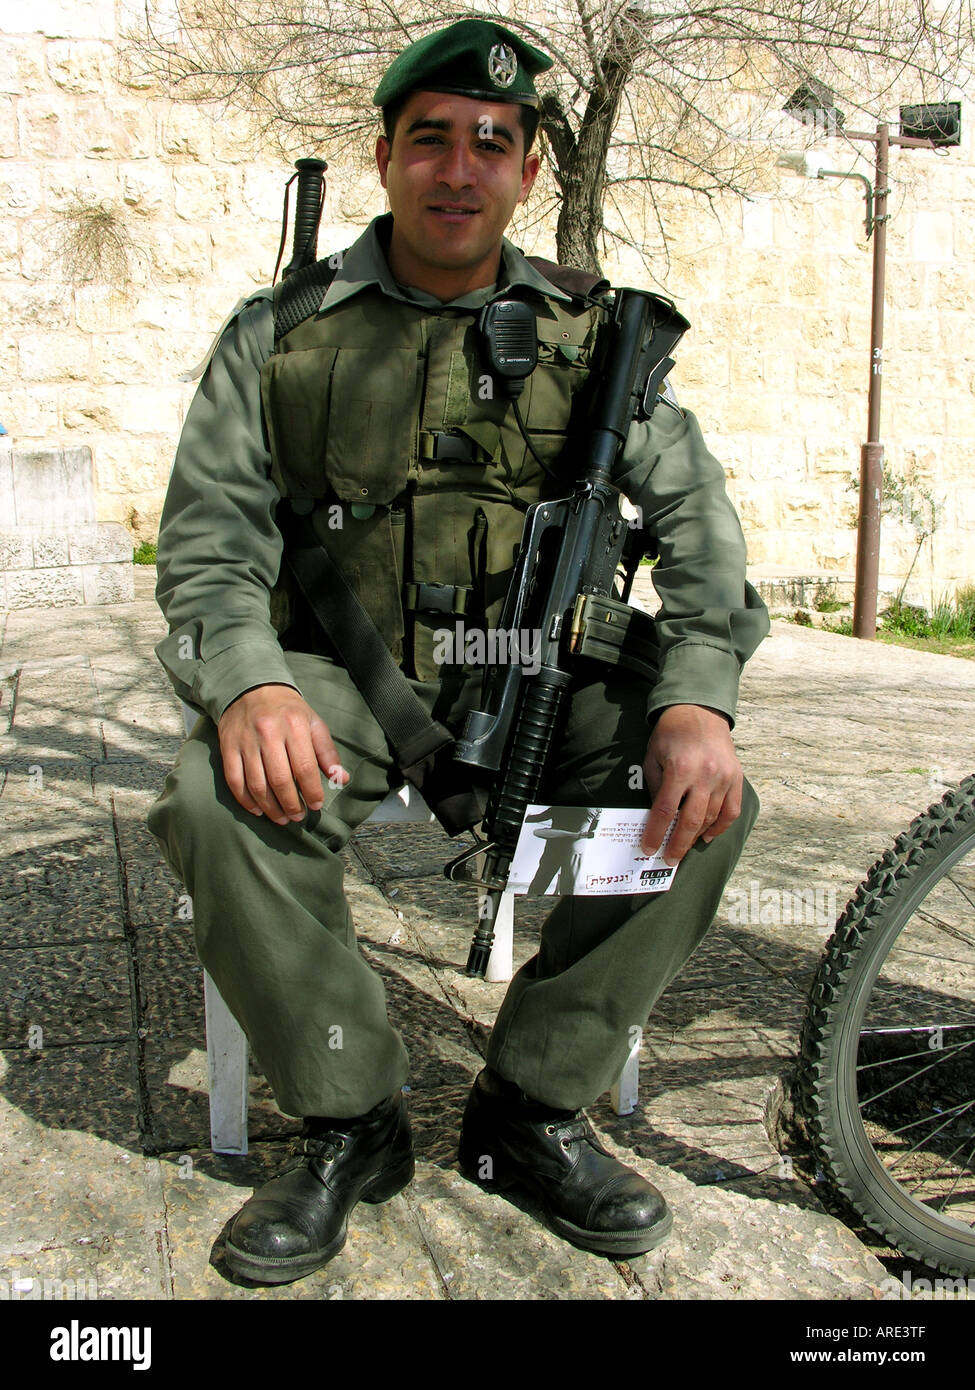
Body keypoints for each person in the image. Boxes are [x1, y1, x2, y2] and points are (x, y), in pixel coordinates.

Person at [147, 18, 770, 1286]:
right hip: (343, 677)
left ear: (529, 173)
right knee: (214, 798)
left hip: (542, 671)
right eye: (429, 139)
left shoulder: (598, 345)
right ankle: (351, 1116)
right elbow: (207, 543)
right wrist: (251, 679)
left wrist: (698, 697)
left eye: (494, 142)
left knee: (711, 795)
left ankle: (533, 1104)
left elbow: (705, 533)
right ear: (384, 158)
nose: (459, 166)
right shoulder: (283, 333)